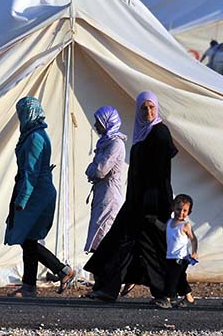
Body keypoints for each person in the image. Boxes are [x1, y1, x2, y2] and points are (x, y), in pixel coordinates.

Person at [84, 91, 182, 303]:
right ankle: (108, 289)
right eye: (143, 108)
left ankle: (168, 293)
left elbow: (161, 173)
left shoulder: (160, 133)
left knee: (153, 247)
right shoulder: (141, 134)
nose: (148, 112)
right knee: (119, 243)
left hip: (153, 203)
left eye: (151, 107)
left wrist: (154, 204)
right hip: (136, 201)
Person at [4, 96, 75, 297]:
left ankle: (59, 271)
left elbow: (31, 172)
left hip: (36, 193)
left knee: (27, 238)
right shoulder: (33, 135)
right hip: (35, 191)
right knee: (28, 238)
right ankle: (32, 285)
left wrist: (22, 200)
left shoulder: (35, 138)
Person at [85, 106, 126, 253]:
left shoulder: (116, 144)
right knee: (98, 239)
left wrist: (91, 170)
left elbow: (100, 170)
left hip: (109, 196)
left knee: (104, 237)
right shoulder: (105, 143)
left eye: (99, 122)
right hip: (101, 195)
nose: (96, 125)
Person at [155, 194, 198, 309]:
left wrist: (194, 252)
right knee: (180, 279)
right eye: (178, 209)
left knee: (171, 278)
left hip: (181, 258)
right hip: (170, 256)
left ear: (189, 212)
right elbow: (163, 228)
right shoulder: (170, 222)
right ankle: (189, 298)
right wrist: (154, 221)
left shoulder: (185, 225)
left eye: (185, 211)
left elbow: (193, 239)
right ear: (173, 208)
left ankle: (167, 298)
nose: (181, 213)